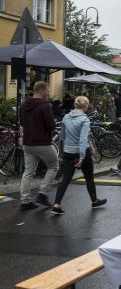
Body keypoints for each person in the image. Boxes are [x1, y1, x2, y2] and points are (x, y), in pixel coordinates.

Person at [51, 96, 106, 215]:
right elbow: (82, 140)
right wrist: (81, 157)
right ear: (85, 106)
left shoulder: (66, 117)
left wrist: (66, 149)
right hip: (81, 153)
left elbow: (62, 136)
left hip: (68, 152)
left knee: (66, 179)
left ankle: (56, 204)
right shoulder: (84, 120)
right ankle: (94, 200)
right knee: (89, 177)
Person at [19, 81, 59, 210]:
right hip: (42, 143)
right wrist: (53, 122)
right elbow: (51, 126)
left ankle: (25, 201)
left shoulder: (24, 104)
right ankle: (42, 194)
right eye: (47, 90)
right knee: (54, 166)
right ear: (42, 91)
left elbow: (21, 121)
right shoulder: (45, 105)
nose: (49, 93)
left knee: (28, 172)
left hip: (27, 142)